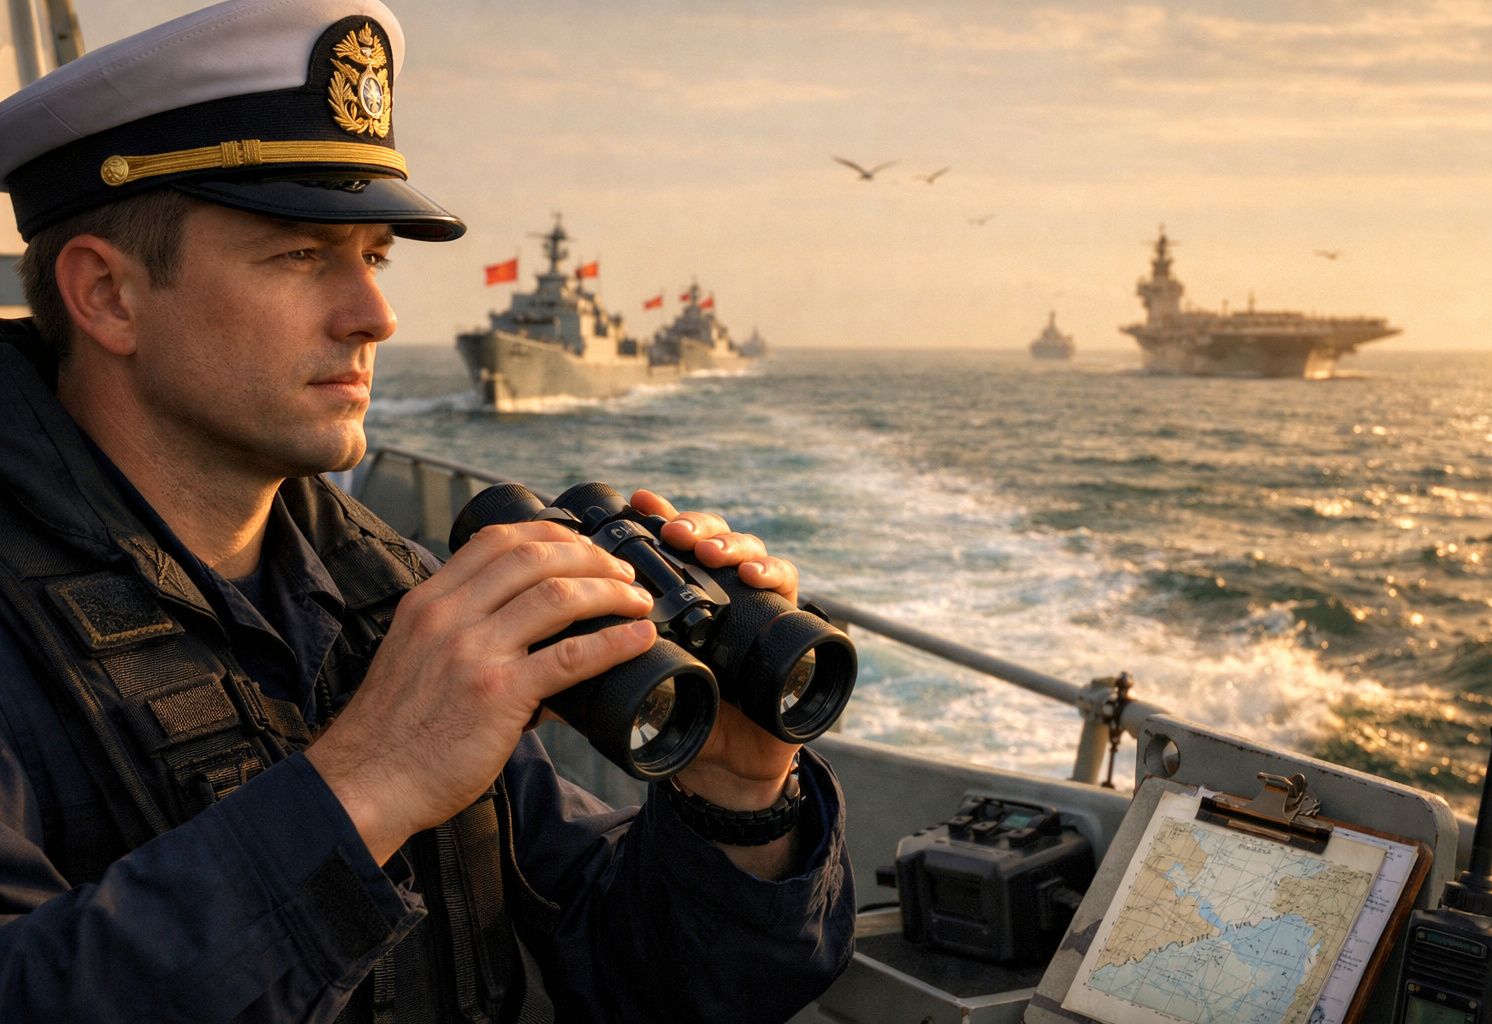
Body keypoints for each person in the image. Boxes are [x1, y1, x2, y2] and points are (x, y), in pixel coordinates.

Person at [0, 0, 855, 1020]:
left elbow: (638, 975)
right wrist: (367, 782)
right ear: (107, 296)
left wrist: (740, 792)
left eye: (375, 255)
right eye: (300, 255)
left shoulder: (386, 584)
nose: (377, 314)